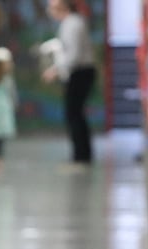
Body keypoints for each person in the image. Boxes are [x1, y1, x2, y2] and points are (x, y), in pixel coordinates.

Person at [43, 0, 96, 166]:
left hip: (80, 72)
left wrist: (55, 70)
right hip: (77, 72)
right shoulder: (70, 23)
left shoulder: (73, 24)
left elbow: (73, 54)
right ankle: (81, 154)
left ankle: (81, 156)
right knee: (75, 113)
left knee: (74, 113)